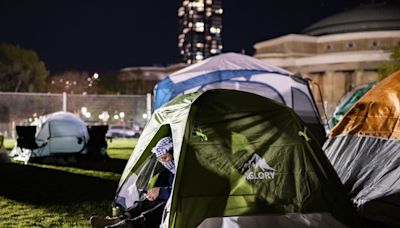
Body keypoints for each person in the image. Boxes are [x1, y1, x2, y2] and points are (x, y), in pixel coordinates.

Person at [90, 136, 175, 228]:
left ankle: (130, 225)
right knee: (145, 202)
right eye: (161, 159)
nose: (164, 162)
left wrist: (161, 191)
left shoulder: (185, 170)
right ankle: (120, 219)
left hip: (175, 203)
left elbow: (182, 193)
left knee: (164, 207)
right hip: (167, 197)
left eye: (165, 158)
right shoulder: (169, 171)